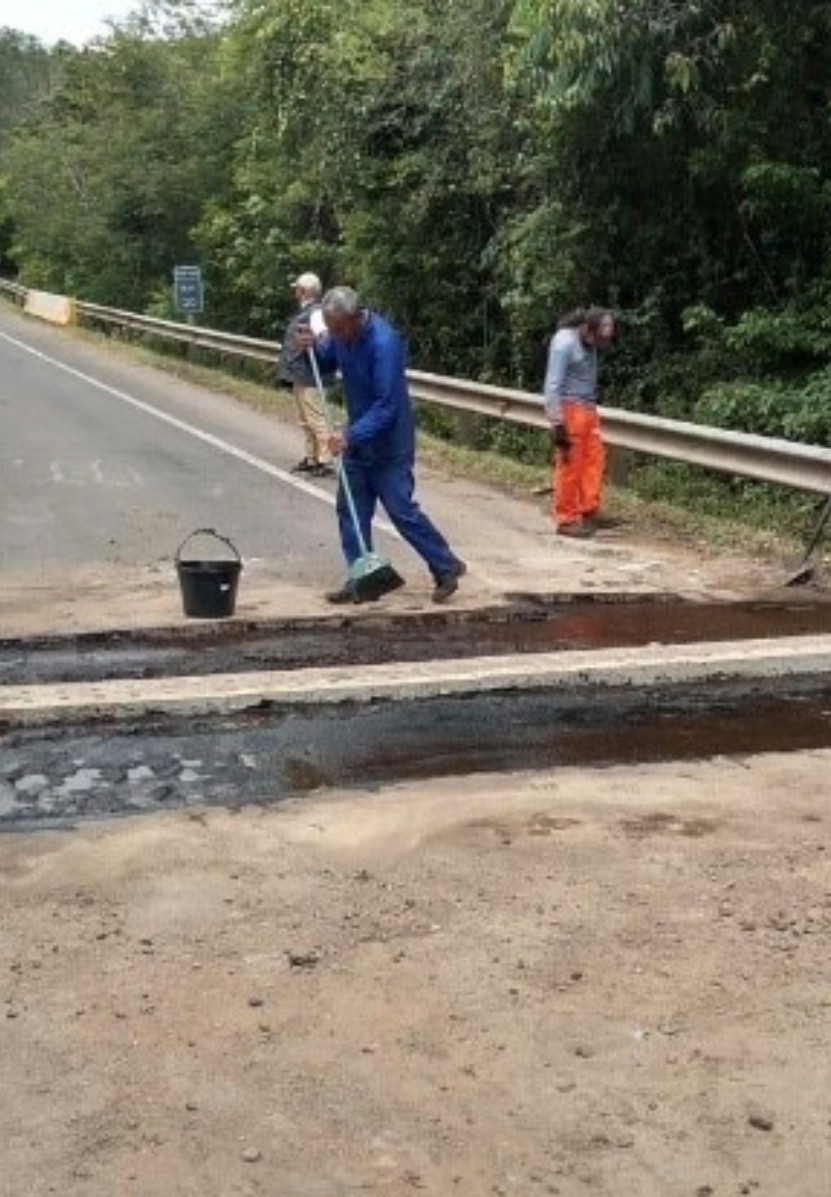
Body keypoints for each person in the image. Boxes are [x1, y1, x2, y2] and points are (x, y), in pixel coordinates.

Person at [296, 285, 466, 604]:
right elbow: (327, 359)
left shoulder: (384, 343)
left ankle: (446, 566)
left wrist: (350, 435)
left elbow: (387, 406)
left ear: (354, 318)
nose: (334, 335)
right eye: (329, 330)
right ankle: (364, 577)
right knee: (351, 510)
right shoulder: (341, 335)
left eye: (337, 329)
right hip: (358, 442)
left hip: (388, 445)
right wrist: (312, 347)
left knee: (401, 510)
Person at [543, 306, 616, 537]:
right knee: (570, 464)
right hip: (569, 409)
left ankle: (589, 508)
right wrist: (557, 423)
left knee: (595, 459)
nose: (598, 343)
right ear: (587, 329)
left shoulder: (590, 340)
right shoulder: (564, 344)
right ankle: (566, 519)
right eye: (596, 337)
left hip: (588, 408)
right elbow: (552, 385)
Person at [277, 271, 335, 478]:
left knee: (316, 418)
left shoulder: (316, 313)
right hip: (301, 374)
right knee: (305, 419)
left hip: (312, 374)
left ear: (303, 291)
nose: (295, 292)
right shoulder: (307, 311)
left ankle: (325, 460)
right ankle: (311, 457)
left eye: (297, 289)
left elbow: (325, 342)